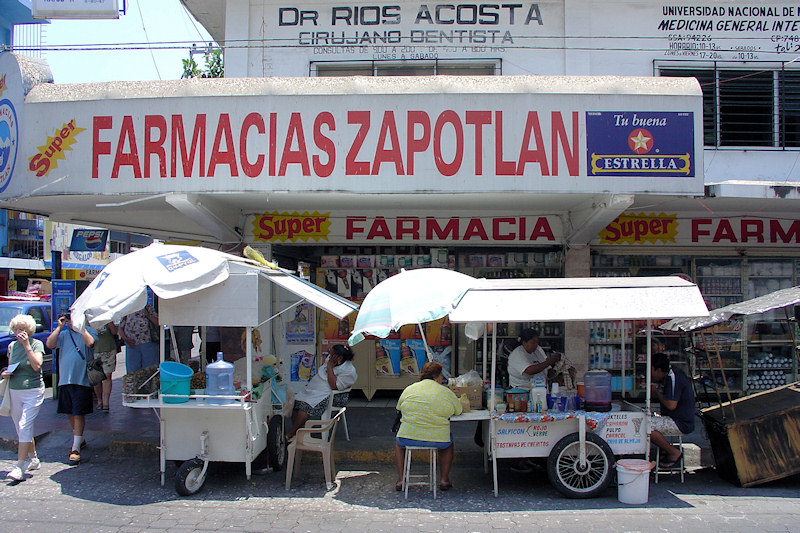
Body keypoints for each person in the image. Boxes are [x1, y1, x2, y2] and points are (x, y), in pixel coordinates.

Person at [394, 361, 462, 492]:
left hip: (408, 437)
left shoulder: (409, 389)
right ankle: (444, 479)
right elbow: (458, 410)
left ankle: (401, 479)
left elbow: (399, 407)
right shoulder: (445, 392)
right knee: (448, 443)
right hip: (439, 440)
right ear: (437, 376)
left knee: (398, 442)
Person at [46, 313, 98, 466]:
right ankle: (79, 439)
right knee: (69, 411)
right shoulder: (63, 334)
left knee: (78, 412)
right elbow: (50, 344)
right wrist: (60, 326)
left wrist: (80, 328)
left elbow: (90, 343)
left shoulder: (89, 331)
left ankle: (75, 448)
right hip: (65, 380)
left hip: (81, 380)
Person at [2, 314, 46, 481]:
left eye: (22, 330)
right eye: (16, 330)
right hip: (14, 390)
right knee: (21, 428)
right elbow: (10, 366)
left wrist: (27, 345)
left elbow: (37, 365)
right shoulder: (12, 346)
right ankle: (33, 459)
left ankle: (19, 466)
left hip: (32, 391)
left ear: (29, 331)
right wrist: (5, 373)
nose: (18, 332)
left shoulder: (36, 344)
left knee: (25, 424)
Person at [286, 344, 357, 441]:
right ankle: (298, 430)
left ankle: (292, 432)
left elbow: (334, 386)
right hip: (316, 390)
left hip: (334, 395)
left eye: (331, 354)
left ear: (339, 358)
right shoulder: (332, 359)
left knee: (306, 407)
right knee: (297, 403)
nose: (329, 356)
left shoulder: (349, 371)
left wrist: (330, 367)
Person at [649, 351, 695, 468]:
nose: (650, 374)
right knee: (646, 420)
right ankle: (664, 448)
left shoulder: (673, 378)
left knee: (646, 426)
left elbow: (671, 405)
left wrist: (656, 392)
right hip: (673, 417)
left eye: (651, 370)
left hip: (681, 422)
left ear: (658, 370)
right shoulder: (670, 374)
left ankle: (673, 452)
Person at [118, 303, 159, 373]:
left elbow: (158, 322)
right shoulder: (127, 309)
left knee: (149, 370)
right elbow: (120, 328)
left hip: (148, 344)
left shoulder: (148, 307)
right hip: (132, 345)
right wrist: (125, 339)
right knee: (132, 372)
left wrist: (148, 315)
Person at [91, 322, 119, 412]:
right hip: (95, 351)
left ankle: (106, 402)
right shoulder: (90, 319)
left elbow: (115, 332)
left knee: (107, 376)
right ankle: (99, 400)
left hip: (109, 350)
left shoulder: (107, 318)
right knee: (97, 378)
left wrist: (109, 321)